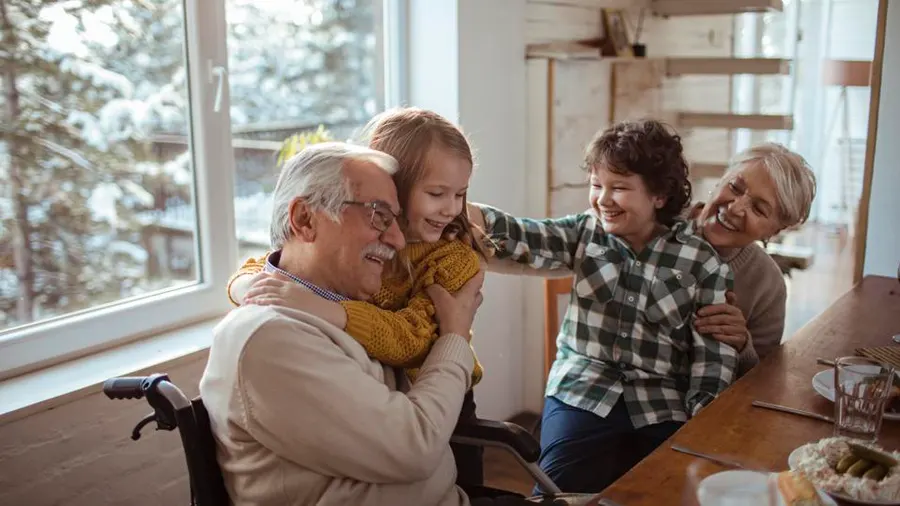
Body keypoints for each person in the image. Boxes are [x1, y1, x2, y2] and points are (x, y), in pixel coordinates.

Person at [199, 142, 530, 505]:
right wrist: (454, 336)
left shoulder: (340, 299)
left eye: (397, 220)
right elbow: (413, 447)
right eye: (378, 215)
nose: (399, 239)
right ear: (305, 220)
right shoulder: (268, 339)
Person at [470, 120, 739, 494]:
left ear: (659, 196)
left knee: (673, 488)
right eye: (597, 185)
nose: (603, 199)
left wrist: (702, 420)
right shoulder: (584, 231)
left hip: (662, 399)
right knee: (555, 493)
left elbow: (712, 359)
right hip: (583, 387)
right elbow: (521, 235)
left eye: (620, 188)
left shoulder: (702, 262)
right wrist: (455, 207)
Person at [689, 143, 817, 375]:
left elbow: (763, 381)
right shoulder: (649, 221)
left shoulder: (768, 284)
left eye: (758, 209)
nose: (735, 208)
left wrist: (741, 344)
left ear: (773, 233)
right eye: (735, 187)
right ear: (721, 179)